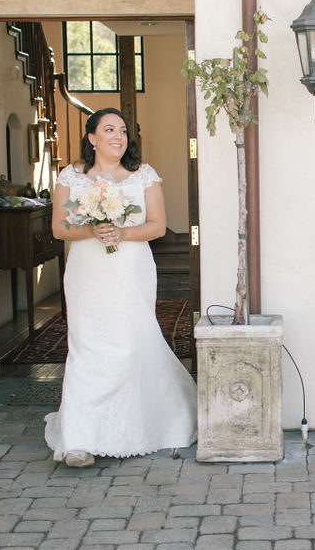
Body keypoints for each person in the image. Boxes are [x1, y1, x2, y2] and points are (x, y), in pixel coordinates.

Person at [44, 108, 197, 467]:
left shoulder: (143, 176)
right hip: (87, 272)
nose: (118, 136)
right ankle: (79, 440)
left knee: (129, 344)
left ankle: (131, 428)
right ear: (92, 138)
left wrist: (121, 233)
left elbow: (159, 226)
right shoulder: (71, 176)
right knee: (86, 347)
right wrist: (92, 230)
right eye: (109, 129)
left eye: (124, 131)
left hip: (130, 270)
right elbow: (59, 228)